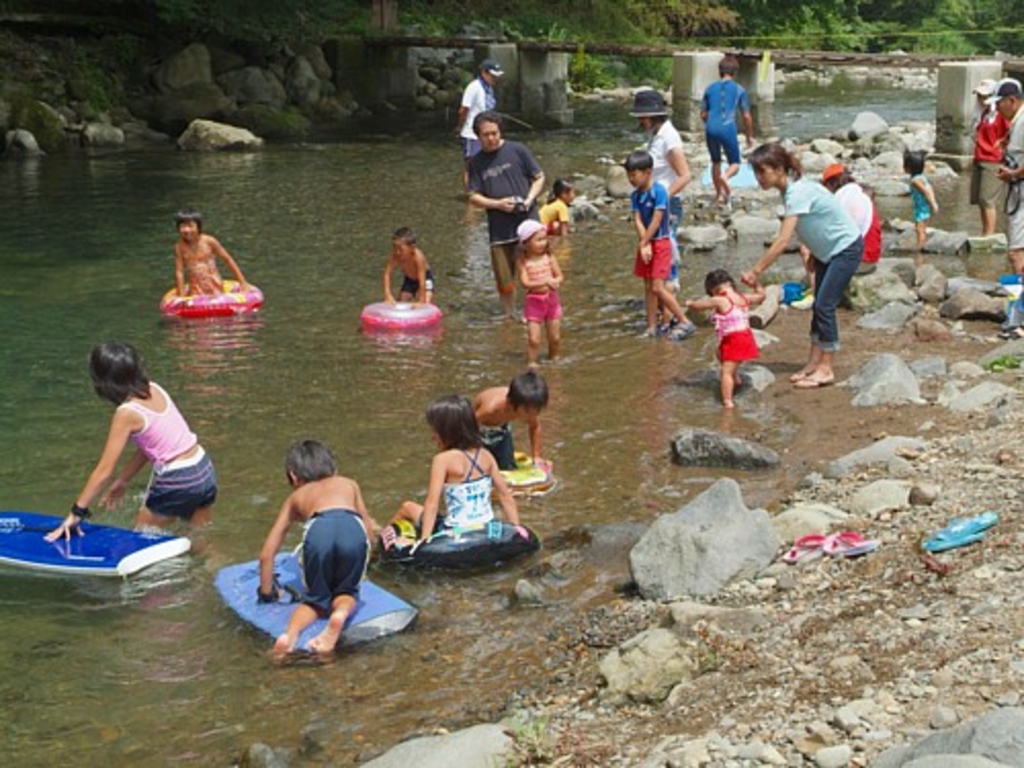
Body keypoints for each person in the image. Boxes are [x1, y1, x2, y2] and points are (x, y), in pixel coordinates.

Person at [46, 342, 218, 542]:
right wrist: (123, 481)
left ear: (104, 381)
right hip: (203, 468)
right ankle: (208, 570)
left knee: (141, 538)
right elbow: (151, 447)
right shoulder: (154, 389)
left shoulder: (126, 413)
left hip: (179, 478)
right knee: (200, 539)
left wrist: (76, 513)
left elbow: (103, 471)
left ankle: (168, 574)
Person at [741, 143, 863, 390]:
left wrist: (756, 271)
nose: (759, 178)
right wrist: (810, 249)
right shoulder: (791, 190)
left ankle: (826, 368)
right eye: (756, 172)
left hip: (845, 249)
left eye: (762, 171)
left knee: (824, 305)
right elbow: (811, 223)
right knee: (819, 306)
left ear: (778, 169)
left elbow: (783, 239)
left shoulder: (797, 192)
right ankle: (813, 362)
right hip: (827, 253)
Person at [257, 440, 379, 656]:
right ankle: (339, 614)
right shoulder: (348, 484)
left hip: (319, 530)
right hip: (352, 527)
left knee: (315, 600)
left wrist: (266, 593)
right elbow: (368, 528)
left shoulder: (295, 498)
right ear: (334, 469)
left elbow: (267, 554)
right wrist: (364, 564)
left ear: (293, 477)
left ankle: (290, 636)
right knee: (346, 591)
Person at [388, 394, 519, 544]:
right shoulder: (486, 455)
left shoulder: (442, 460)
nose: (433, 437)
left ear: (447, 431)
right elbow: (505, 496)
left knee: (407, 507)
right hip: (485, 527)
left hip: (456, 531)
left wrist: (425, 541)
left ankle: (377, 546)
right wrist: (516, 529)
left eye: (435, 431)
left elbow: (432, 504)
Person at [466, 111, 546, 319]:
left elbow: (539, 177)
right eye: (486, 135)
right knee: (504, 277)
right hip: (499, 227)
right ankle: (509, 316)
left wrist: (528, 200)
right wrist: (497, 204)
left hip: (528, 222)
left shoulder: (517, 150)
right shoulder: (476, 163)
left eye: (495, 133)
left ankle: (538, 310)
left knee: (537, 269)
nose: (491, 138)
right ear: (478, 136)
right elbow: (473, 196)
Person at [625, 149, 696, 340]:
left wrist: (645, 243)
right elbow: (638, 220)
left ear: (648, 172)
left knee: (657, 287)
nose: (631, 179)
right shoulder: (635, 196)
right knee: (648, 287)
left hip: (660, 244)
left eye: (634, 175)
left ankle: (683, 320)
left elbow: (657, 221)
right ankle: (651, 326)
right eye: (628, 175)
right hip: (646, 243)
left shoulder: (659, 192)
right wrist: (643, 244)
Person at [629, 89, 692, 296]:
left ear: (651, 116)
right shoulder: (657, 135)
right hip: (654, 203)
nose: (640, 122)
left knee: (667, 250)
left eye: (641, 117)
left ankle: (670, 298)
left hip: (666, 205)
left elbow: (684, 175)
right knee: (657, 251)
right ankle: (661, 302)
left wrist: (662, 200)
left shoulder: (669, 137)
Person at [793, 163, 882, 305]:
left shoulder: (841, 197)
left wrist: (811, 256)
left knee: (806, 248)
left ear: (831, 183)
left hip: (857, 260)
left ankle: (818, 292)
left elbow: (828, 235)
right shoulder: (857, 193)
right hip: (872, 257)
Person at [685, 269, 765, 409]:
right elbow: (761, 296)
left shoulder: (720, 299)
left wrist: (691, 303)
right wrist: (756, 284)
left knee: (725, 372)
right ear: (731, 285)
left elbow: (699, 306)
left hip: (734, 339)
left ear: (713, 290)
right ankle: (736, 378)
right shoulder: (743, 297)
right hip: (745, 336)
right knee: (720, 353)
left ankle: (728, 401)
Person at [700, 55, 755, 208]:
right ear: (735, 72)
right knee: (735, 163)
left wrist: (710, 124)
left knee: (715, 161)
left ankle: (718, 196)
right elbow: (746, 115)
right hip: (728, 126)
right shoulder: (739, 90)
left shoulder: (710, 88)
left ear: (720, 71)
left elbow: (703, 114)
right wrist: (750, 135)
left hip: (711, 127)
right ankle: (725, 176)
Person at [473, 370, 550, 471]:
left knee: (508, 468)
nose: (532, 416)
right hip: (478, 432)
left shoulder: (528, 406)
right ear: (510, 403)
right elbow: (466, 425)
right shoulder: (491, 409)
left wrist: (536, 456)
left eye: (537, 411)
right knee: (480, 469)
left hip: (502, 430)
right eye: (527, 412)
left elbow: (534, 427)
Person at [517, 220, 564, 367]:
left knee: (555, 337)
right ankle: (532, 363)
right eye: (539, 240)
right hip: (534, 302)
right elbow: (525, 283)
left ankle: (554, 359)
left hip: (552, 300)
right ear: (525, 243)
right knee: (534, 339)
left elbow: (560, 276)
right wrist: (544, 283)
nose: (543, 243)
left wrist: (556, 281)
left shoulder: (549, 257)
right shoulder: (523, 261)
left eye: (544, 239)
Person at [173, 210, 250, 297]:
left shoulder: (209, 241)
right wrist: (181, 294)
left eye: (191, 226)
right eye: (183, 226)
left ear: (198, 227)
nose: (187, 230)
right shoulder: (179, 247)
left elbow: (227, 259)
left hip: (214, 284)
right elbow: (179, 271)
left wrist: (242, 282)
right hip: (195, 288)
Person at [992, 78, 1024, 280]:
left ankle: (1019, 305)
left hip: (1021, 195)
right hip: (1017, 193)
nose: (996, 108)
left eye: (998, 103)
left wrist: (1013, 174)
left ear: (1011, 100)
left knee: (1016, 252)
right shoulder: (1016, 122)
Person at [970, 79, 1010, 237]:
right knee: (980, 200)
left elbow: (1010, 131)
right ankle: (985, 231)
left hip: (993, 160)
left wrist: (1002, 147)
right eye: (979, 96)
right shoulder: (984, 114)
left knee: (988, 200)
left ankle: (989, 234)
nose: (981, 99)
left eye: (984, 96)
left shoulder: (1000, 114)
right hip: (980, 157)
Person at [456, 58, 503, 189]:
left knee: (489, 162)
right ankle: (471, 194)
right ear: (484, 73)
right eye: (493, 76)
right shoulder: (474, 87)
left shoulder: (488, 89)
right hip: (471, 133)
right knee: (471, 166)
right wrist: (460, 127)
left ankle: (485, 190)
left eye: (496, 76)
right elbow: (463, 109)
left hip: (486, 132)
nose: (495, 79)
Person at [903, 150, 939, 266]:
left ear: (908, 168)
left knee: (920, 229)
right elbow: (930, 188)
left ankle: (920, 251)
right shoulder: (921, 177)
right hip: (924, 207)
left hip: (921, 208)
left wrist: (933, 204)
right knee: (922, 228)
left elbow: (926, 192)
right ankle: (922, 246)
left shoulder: (915, 181)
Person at [382, 226, 435, 305]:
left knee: (426, 303)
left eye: (400, 249)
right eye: (394, 248)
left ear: (412, 248)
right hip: (410, 280)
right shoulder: (396, 256)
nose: (397, 252)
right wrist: (388, 295)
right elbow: (387, 274)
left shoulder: (418, 257)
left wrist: (421, 300)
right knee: (401, 302)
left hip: (425, 278)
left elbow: (422, 281)